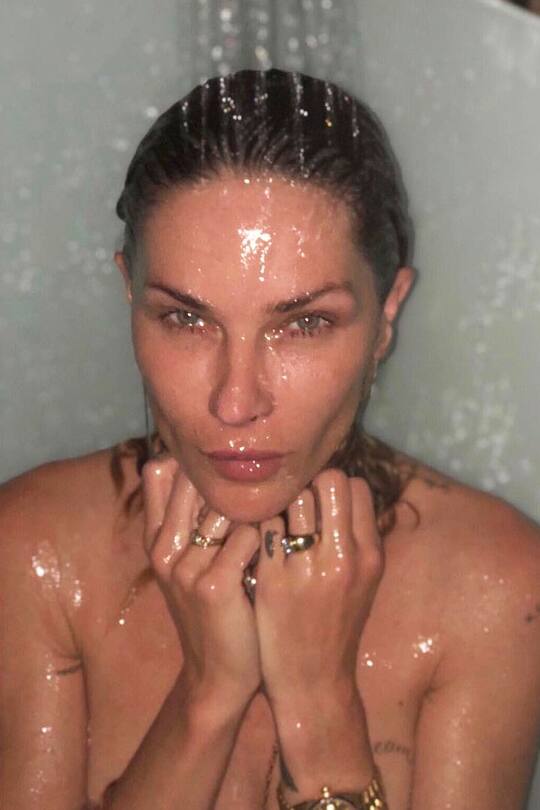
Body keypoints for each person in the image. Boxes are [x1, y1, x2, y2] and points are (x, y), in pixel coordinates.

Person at [0, 68, 539, 810]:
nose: (236, 401)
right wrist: (206, 698)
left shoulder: (493, 586)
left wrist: (321, 711)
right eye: (185, 319)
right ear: (130, 294)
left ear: (386, 316)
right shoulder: (37, 554)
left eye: (304, 324)